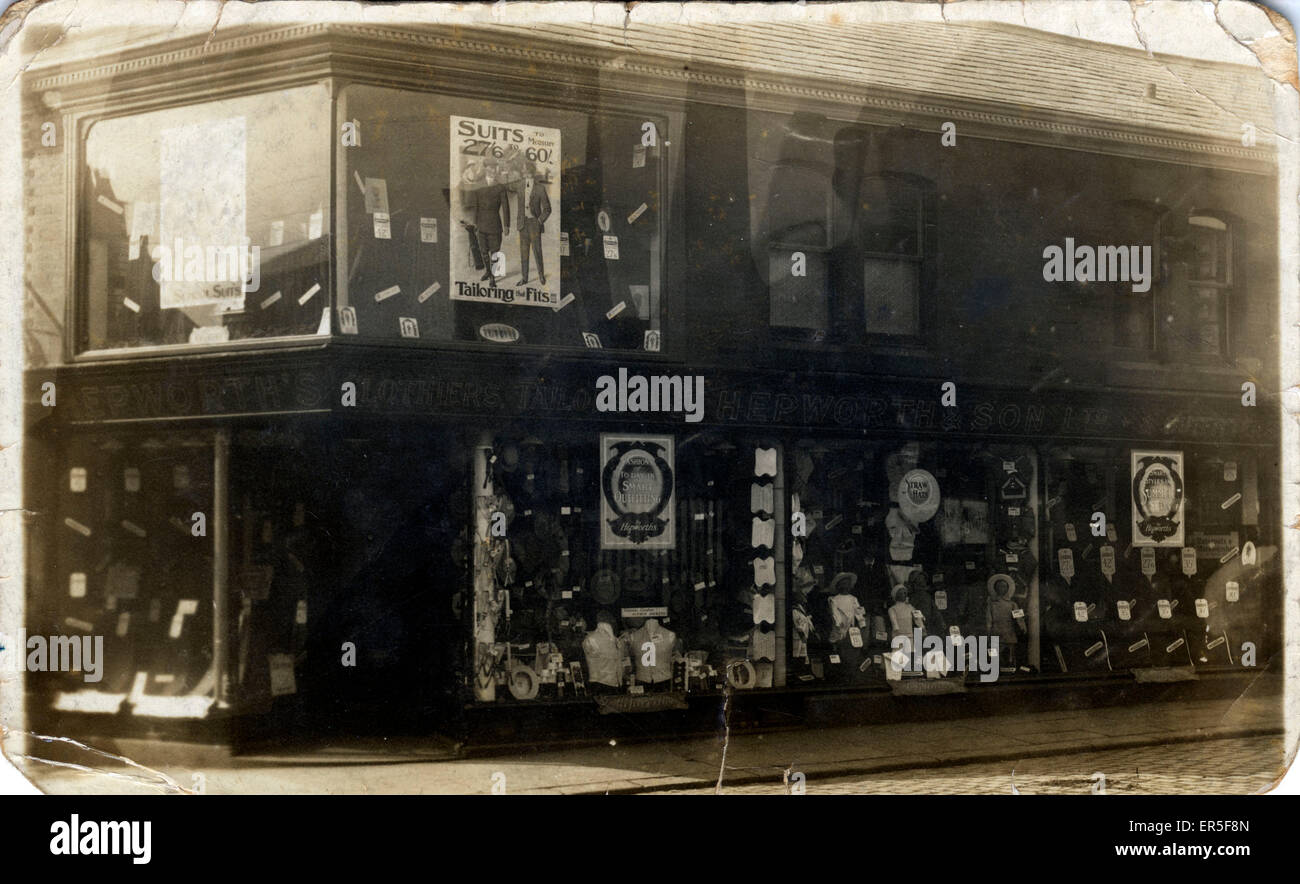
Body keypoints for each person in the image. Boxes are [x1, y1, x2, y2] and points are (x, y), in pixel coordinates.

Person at [462, 160, 511, 283]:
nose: (493, 170)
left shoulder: (500, 187)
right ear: (486, 169)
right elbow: (474, 206)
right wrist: (472, 222)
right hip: (481, 224)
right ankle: (488, 272)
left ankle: (492, 277)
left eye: (495, 168)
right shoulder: (478, 185)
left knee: (495, 251)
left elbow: (506, 207)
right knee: (484, 251)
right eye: (491, 168)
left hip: (495, 224)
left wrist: (506, 225)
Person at [513, 169, 552, 286]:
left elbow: (547, 209)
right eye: (525, 173)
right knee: (524, 253)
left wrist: (539, 221)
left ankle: (541, 276)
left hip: (534, 225)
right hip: (522, 224)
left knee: (537, 251)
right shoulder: (519, 187)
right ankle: (524, 278)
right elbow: (507, 186)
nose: (527, 176)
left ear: (533, 174)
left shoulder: (540, 188)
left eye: (529, 173)